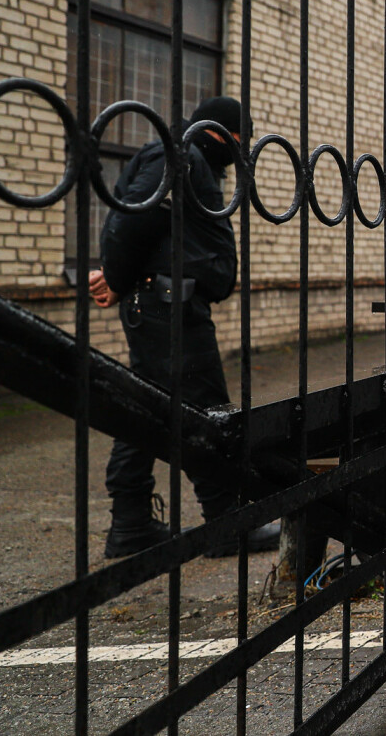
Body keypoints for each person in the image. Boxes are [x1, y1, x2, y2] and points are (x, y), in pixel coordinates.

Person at [89, 96, 280, 559]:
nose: (240, 157)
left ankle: (132, 524)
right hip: (166, 311)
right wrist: (115, 276)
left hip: (171, 308)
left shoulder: (191, 159)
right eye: (241, 144)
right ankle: (223, 526)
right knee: (205, 414)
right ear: (224, 135)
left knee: (149, 411)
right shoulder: (179, 155)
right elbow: (131, 218)